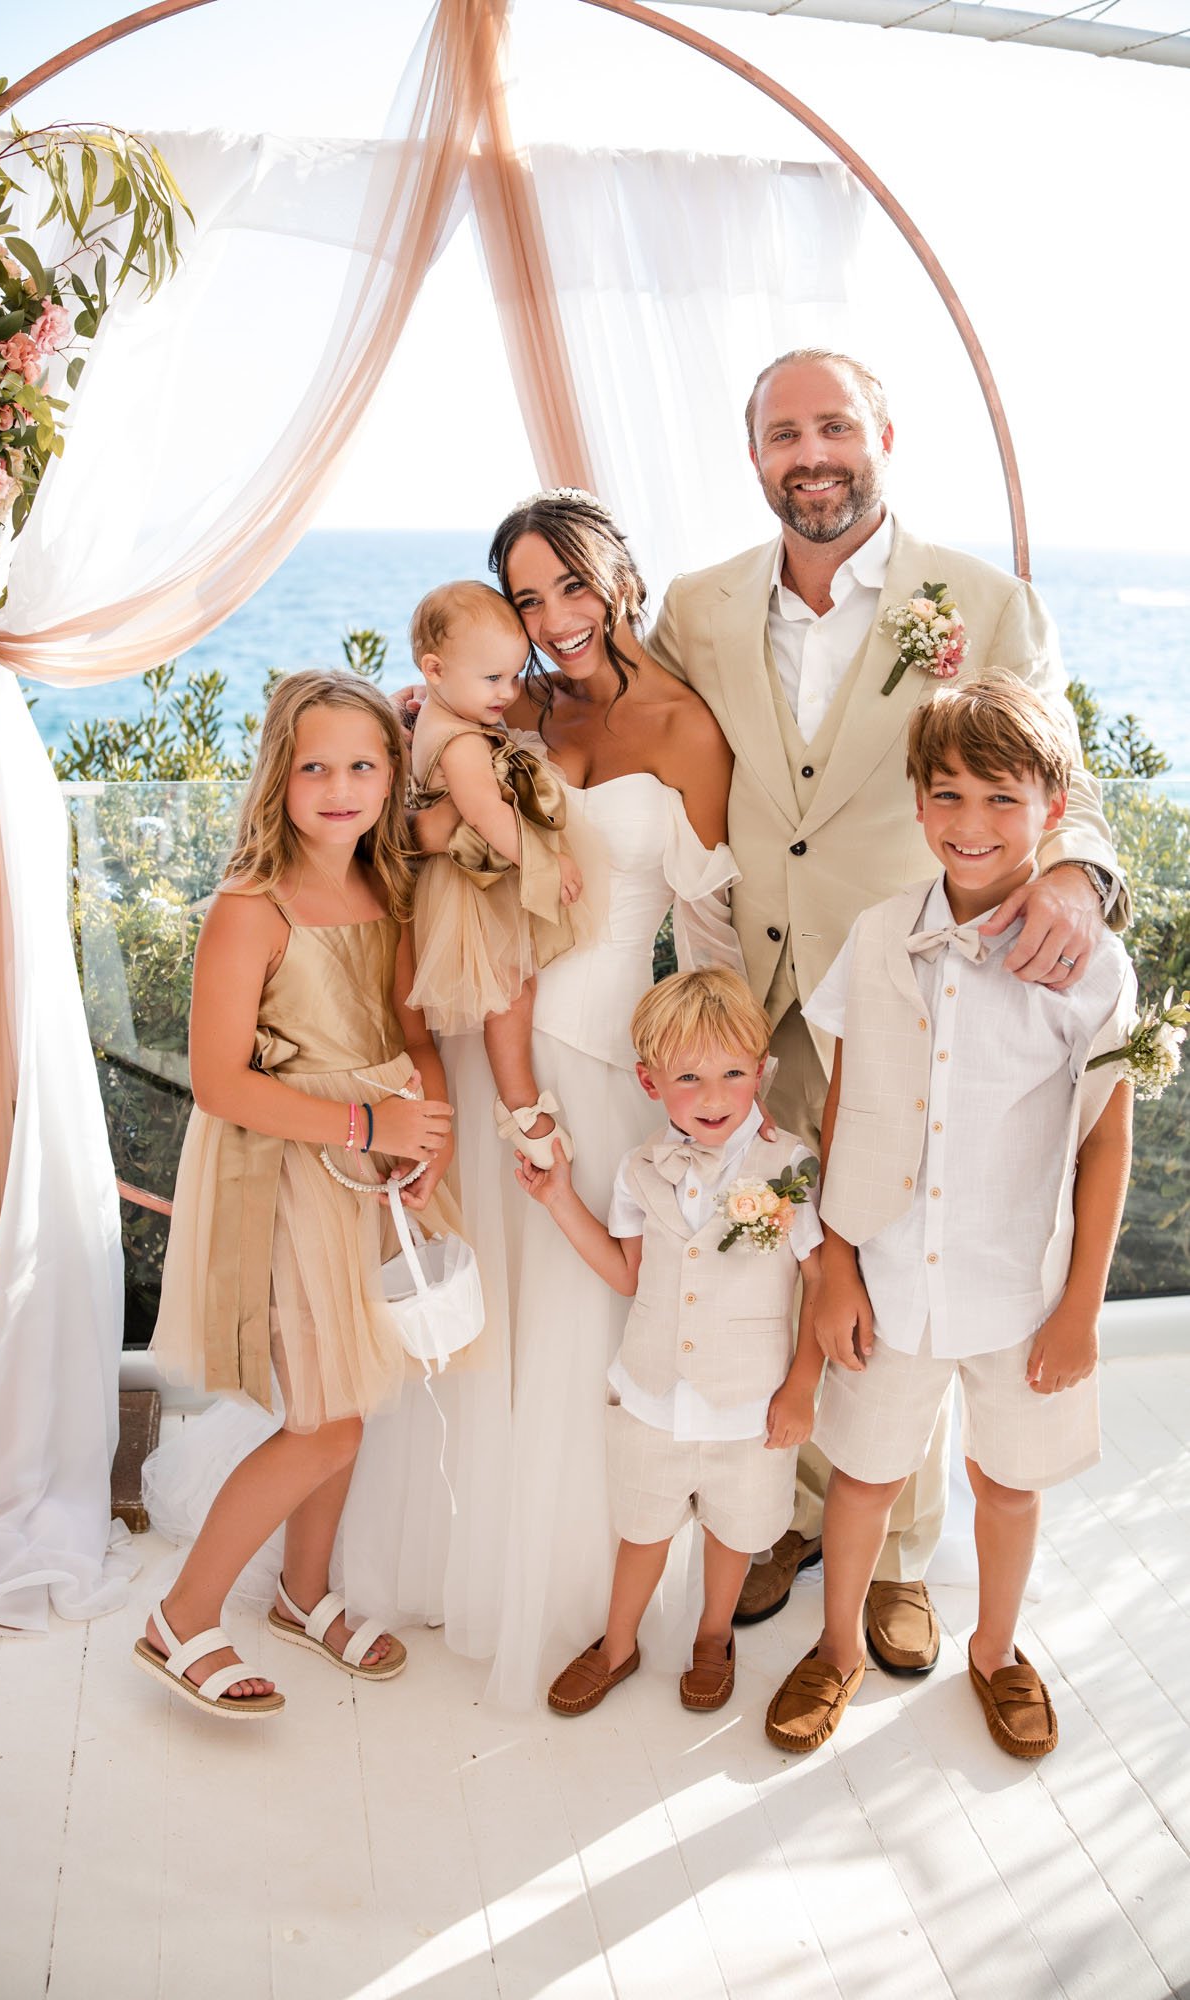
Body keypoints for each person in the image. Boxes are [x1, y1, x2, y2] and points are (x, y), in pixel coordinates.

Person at [647, 347, 1128, 1664]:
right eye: (783, 433)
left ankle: (903, 1553)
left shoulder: (980, 599)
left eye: (834, 426)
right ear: (752, 456)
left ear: (883, 435)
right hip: (758, 994)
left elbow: (1059, 769)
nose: (812, 454)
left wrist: (1078, 879)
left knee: (904, 1261)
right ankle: (783, 1514)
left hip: (919, 989)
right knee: (786, 1254)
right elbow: (613, 712)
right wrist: (451, 722)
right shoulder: (696, 607)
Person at [408, 489, 745, 1703]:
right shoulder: (509, 710)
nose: (553, 619)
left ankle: (591, 1594)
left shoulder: (684, 727)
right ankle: (471, 1554)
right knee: (495, 1319)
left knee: (588, 1327)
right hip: (492, 1042)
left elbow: (706, 927)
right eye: (528, 596)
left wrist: (713, 1080)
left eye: (570, 587)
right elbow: (455, 849)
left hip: (605, 1065)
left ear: (615, 577)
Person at [764, 674, 1135, 1759]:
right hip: (884, 1276)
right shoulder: (881, 933)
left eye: (1001, 800)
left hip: (1019, 1287)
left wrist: (1080, 1308)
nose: (971, 826)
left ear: (1052, 807)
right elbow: (842, 1097)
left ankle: (997, 1648)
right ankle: (834, 1648)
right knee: (865, 1472)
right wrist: (831, 1265)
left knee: (1004, 1482)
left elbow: (1105, 1138)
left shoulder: (1088, 964)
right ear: (919, 804)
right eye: (949, 796)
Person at [134, 672, 467, 1717]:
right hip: (282, 1176)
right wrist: (369, 1125)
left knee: (351, 1403)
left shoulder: (392, 889)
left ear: (391, 775)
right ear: (280, 773)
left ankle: (303, 1592)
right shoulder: (251, 907)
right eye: (314, 764)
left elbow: (412, 1033)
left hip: (374, 1170)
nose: (339, 785)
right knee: (324, 1421)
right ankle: (181, 1614)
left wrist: (433, 1129)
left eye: (363, 764)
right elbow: (220, 1080)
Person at [516, 968, 823, 1718]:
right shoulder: (639, 1169)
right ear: (651, 1084)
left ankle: (712, 1636)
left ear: (761, 1072)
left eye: (731, 1074)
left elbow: (823, 1283)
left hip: (748, 1407)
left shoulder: (787, 1169)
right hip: (651, 1394)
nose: (713, 1096)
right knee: (642, 1530)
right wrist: (558, 1198)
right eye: (688, 1077)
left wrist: (801, 1387)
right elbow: (626, 1273)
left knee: (732, 1533)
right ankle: (616, 1644)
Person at [407, 580, 584, 1164]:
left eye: (514, 675)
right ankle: (520, 1102)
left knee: (510, 989)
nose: (509, 692)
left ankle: (513, 1097)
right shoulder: (459, 741)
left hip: (469, 876)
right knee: (508, 992)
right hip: (470, 887)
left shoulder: (438, 708)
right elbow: (484, 814)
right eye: (492, 679)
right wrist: (545, 861)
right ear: (434, 669)